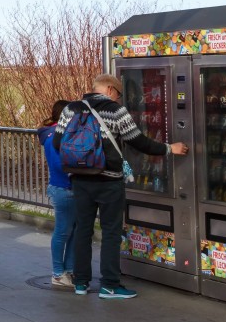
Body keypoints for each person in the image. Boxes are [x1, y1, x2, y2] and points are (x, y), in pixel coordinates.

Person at [54, 74, 189, 299]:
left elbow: (58, 142)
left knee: (83, 231)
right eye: (118, 94)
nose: (118, 98)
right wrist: (169, 148)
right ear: (109, 90)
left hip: (80, 180)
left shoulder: (71, 109)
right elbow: (139, 141)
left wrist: (82, 159)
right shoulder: (116, 111)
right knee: (110, 233)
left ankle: (81, 283)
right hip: (108, 181)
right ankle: (109, 285)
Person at [39, 100, 75, 288]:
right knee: (64, 231)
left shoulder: (49, 134)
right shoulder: (58, 135)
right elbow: (60, 164)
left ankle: (67, 270)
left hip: (60, 187)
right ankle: (59, 273)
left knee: (70, 231)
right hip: (65, 187)